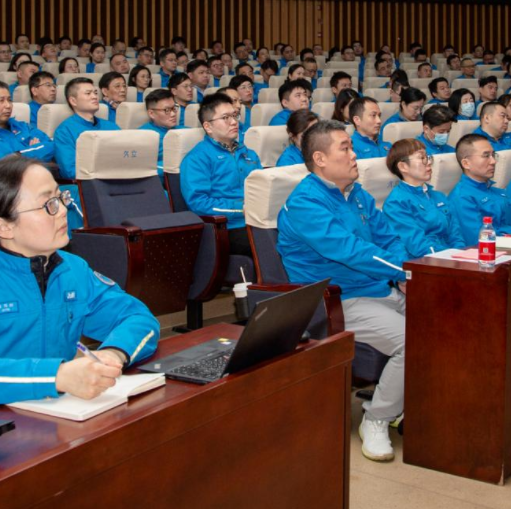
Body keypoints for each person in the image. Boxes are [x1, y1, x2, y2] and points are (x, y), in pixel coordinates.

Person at [0, 156, 159, 414]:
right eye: (48, 205)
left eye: (61, 198)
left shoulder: (72, 270)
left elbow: (138, 317)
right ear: (4, 227)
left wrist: (113, 353)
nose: (64, 211)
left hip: (50, 416)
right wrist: (55, 376)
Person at [276, 120, 409, 462]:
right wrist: (403, 272)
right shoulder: (306, 203)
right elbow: (350, 250)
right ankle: (376, 418)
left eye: (352, 147)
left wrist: (403, 273)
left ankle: (400, 401)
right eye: (345, 148)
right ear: (320, 159)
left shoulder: (357, 194)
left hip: (378, 288)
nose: (354, 155)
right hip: (338, 300)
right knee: (411, 340)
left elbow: (389, 238)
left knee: (448, 320)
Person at [180, 94, 261, 256]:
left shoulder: (249, 153)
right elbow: (198, 202)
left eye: (234, 115)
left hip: (257, 220)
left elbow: (262, 189)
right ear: (208, 127)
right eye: (225, 118)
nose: (234, 122)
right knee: (268, 244)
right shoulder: (197, 158)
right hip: (226, 227)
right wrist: (241, 208)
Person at [381, 138, 461, 257]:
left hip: (451, 258)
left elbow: (456, 235)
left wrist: (460, 254)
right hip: (427, 261)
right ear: (403, 166)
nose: (428, 162)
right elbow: (418, 245)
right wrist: (452, 257)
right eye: (422, 158)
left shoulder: (439, 196)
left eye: (428, 157)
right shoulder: (396, 203)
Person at [0, 80, 54, 173]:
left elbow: (52, 146)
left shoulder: (23, 126)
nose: (8, 105)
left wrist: (17, 155)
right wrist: (35, 151)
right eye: (1, 100)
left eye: (9, 100)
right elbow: (3, 168)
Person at [447, 134, 511, 246]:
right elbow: (479, 240)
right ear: (466, 163)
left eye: (493, 155)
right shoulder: (462, 197)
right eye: (486, 156)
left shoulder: (498, 192)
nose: (493, 161)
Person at [53, 77, 119, 180]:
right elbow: (69, 170)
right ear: (73, 101)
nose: (94, 97)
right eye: (88, 93)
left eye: (95, 93)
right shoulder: (64, 131)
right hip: (90, 183)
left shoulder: (112, 127)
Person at [139, 89, 182, 169]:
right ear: (151, 114)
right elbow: (144, 168)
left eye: (174, 108)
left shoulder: (184, 130)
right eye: (167, 110)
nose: (173, 114)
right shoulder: (144, 137)